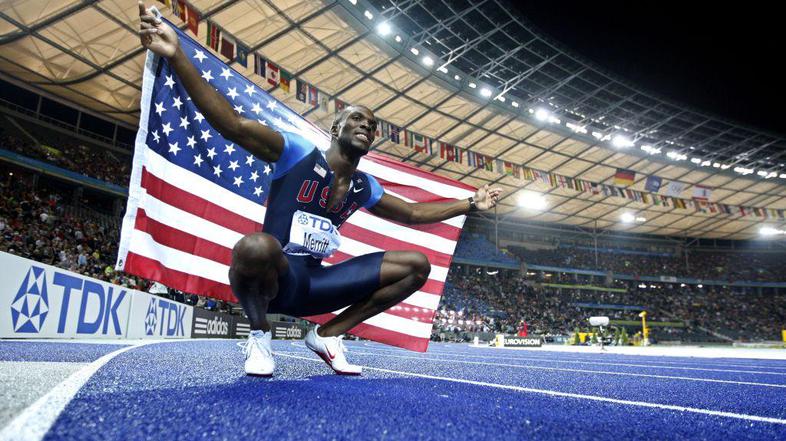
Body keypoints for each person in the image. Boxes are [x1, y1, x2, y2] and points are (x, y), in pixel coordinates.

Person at [138, 3, 502, 376]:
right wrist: (177, 54)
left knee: (416, 265)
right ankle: (260, 335)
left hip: (318, 282)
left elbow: (412, 214)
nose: (366, 126)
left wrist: (470, 203)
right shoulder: (297, 152)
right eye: (356, 119)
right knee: (255, 245)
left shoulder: (363, 185)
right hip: (278, 278)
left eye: (372, 125)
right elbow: (231, 124)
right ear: (335, 130)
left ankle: (328, 335)